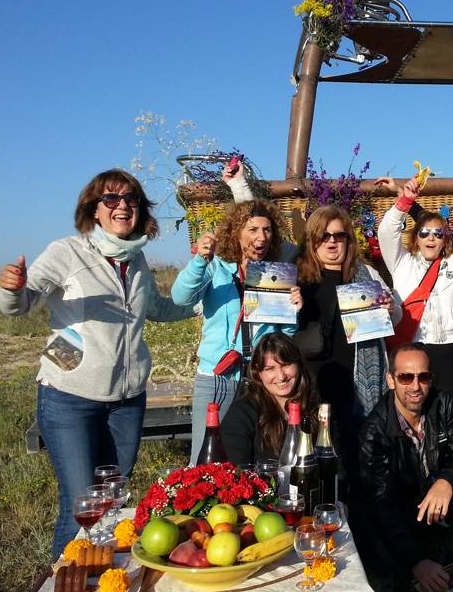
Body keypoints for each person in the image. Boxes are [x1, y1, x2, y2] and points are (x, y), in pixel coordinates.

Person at [0, 169, 197, 558]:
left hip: (127, 401)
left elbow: (158, 309)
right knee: (81, 507)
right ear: (94, 210)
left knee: (111, 504)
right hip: (69, 397)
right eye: (111, 199)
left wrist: (203, 304)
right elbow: (21, 303)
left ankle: (101, 576)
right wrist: (11, 290)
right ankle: (65, 587)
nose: (122, 205)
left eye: (131, 199)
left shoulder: (137, 260)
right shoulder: (66, 252)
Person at [171, 199, 301, 465]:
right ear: (236, 233)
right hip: (219, 377)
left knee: (252, 455)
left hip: (258, 378)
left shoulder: (273, 274)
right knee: (206, 458)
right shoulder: (216, 268)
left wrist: (293, 310)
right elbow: (180, 297)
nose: (261, 237)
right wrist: (199, 261)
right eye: (252, 229)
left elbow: (282, 336)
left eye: (267, 230)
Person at [358, 343, 453, 592]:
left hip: (439, 500)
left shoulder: (443, 403)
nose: (415, 386)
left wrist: (447, 480)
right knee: (386, 570)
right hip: (403, 511)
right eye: (405, 377)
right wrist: (416, 561)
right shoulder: (373, 431)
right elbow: (381, 501)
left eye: (423, 377)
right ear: (390, 380)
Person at [294, 204, 400, 480]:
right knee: (314, 466)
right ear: (312, 240)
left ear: (348, 240)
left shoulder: (366, 275)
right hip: (312, 388)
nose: (331, 242)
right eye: (324, 236)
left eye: (339, 235)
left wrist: (390, 309)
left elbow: (396, 316)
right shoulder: (297, 278)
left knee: (357, 464)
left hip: (357, 390)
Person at [376, 175, 453, 395]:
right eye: (424, 233)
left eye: (438, 233)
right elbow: (386, 232)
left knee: (449, 405)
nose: (431, 238)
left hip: (448, 348)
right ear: (416, 238)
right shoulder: (401, 262)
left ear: (445, 240)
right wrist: (404, 200)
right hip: (411, 344)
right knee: (412, 404)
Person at [220, 332, 315, 466]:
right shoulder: (242, 413)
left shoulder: (315, 407)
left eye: (286, 365)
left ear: (298, 365)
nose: (281, 376)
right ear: (257, 373)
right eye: (270, 369)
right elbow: (236, 470)